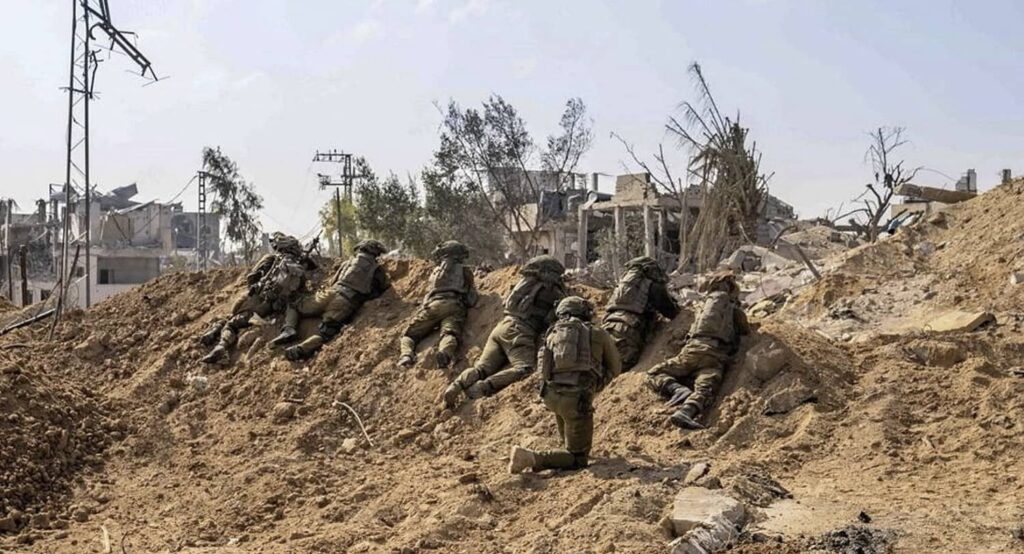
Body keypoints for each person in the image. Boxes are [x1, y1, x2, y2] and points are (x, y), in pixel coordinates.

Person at [508, 296, 621, 473]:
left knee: (568, 428)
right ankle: (531, 457)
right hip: (576, 401)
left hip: (550, 396)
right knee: (578, 459)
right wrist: (596, 384)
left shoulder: (553, 333)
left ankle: (565, 450)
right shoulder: (598, 333)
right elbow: (615, 368)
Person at [442, 255, 566, 409]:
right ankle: (481, 388)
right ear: (548, 273)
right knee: (524, 369)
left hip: (502, 326)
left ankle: (456, 386)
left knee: (482, 368)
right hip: (520, 332)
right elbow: (559, 312)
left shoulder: (523, 284)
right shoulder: (551, 291)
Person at [645, 273, 749, 430]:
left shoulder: (701, 307)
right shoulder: (733, 309)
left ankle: (678, 390)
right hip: (714, 356)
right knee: (705, 389)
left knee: (653, 373)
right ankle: (686, 411)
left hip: (690, 353)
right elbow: (745, 330)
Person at [200, 232, 314, 364]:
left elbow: (251, 278)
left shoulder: (274, 259)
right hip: (284, 306)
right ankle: (216, 330)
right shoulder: (299, 264)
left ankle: (221, 345)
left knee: (232, 322)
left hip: (264, 302)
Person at [269, 239, 390, 361]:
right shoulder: (377, 270)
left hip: (329, 294)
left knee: (294, 304)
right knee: (326, 332)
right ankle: (301, 349)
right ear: (376, 254)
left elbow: (333, 282)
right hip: (345, 301)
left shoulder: (348, 263)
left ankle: (289, 328)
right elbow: (382, 288)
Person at [398, 241, 478, 369]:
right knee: (449, 333)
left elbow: (428, 295)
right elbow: (471, 298)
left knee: (409, 335)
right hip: (454, 305)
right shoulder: (465, 270)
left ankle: (406, 356)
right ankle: (445, 353)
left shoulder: (435, 272)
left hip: (433, 306)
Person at [601, 256, 680, 370]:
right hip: (629, 332)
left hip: (608, 327)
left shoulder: (622, 286)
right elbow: (671, 311)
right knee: (623, 370)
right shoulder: (652, 285)